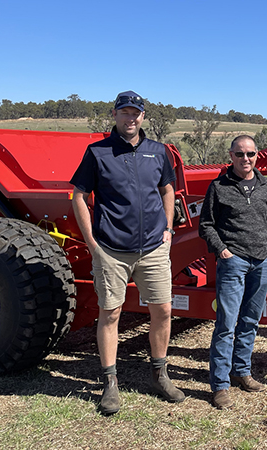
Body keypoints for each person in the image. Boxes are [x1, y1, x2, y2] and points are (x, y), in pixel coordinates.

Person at [70, 90, 185, 415]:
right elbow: (79, 195)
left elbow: (167, 189)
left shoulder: (157, 152)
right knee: (111, 314)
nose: (130, 117)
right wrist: (92, 243)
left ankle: (160, 374)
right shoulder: (98, 152)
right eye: (124, 112)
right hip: (111, 250)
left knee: (162, 311)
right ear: (115, 114)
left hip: (152, 249)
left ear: (143, 116)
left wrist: (168, 229)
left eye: (135, 112)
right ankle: (110, 384)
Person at [199, 135, 267, 409]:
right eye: (240, 154)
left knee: (250, 320)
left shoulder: (265, 185)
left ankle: (242, 372)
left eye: (250, 154)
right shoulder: (219, 187)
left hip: (261, 261)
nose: (246, 159)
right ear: (231, 156)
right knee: (226, 324)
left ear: (257, 155)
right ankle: (220, 385)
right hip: (233, 262)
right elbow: (206, 224)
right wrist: (222, 250)